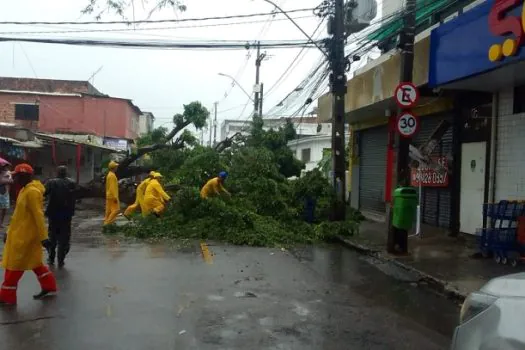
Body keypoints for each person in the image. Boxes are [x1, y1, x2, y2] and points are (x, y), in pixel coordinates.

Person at [0, 163, 57, 305]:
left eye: (17, 176)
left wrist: (44, 238)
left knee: (14, 267)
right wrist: (8, 231)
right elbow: (17, 216)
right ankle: (49, 287)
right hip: (19, 235)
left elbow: (38, 216)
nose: (15, 179)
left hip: (25, 238)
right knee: (36, 264)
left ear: (25, 176)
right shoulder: (24, 190)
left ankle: (7, 297)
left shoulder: (32, 192)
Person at [45, 166, 77, 267]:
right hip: (66, 214)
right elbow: (75, 196)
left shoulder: (51, 182)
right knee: (64, 237)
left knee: (52, 236)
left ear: (57, 172)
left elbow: (43, 193)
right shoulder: (71, 182)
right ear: (66, 172)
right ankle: (61, 260)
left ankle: (51, 257)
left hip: (53, 213)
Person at [104, 161, 120, 225]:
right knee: (116, 210)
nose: (117, 167)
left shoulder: (109, 174)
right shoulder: (112, 176)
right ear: (114, 167)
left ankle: (107, 223)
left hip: (109, 195)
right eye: (116, 166)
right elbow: (112, 187)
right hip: (112, 196)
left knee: (109, 211)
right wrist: (115, 197)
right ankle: (108, 223)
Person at [0, 163, 13, 228]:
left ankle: (1, 223)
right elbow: (1, 181)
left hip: (5, 192)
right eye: (4, 166)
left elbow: (11, 181)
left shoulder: (8, 173)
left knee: (4, 209)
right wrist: (5, 180)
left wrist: (5, 180)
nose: (5, 168)